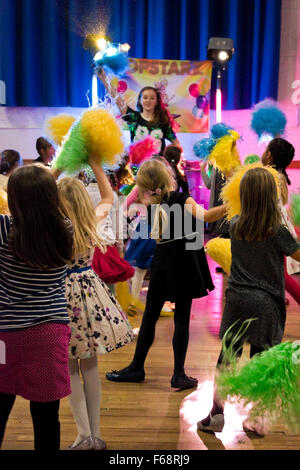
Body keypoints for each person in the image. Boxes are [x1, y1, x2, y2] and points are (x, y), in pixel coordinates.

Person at [106, 159, 227, 390]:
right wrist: (233, 203)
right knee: (181, 318)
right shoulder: (180, 199)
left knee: (150, 315)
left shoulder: (148, 201)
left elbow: (127, 204)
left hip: (163, 260)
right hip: (185, 260)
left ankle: (137, 367)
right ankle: (178, 373)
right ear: (168, 177)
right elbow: (208, 216)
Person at [197, 167, 300, 435]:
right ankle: (258, 418)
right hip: (267, 304)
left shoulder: (235, 224)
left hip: (237, 301)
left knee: (228, 357)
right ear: (271, 196)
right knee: (261, 361)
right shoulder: (277, 230)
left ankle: (217, 414)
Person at [56, 154, 134, 450]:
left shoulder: (55, 226)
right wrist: (96, 164)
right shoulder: (92, 220)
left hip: (62, 294)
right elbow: (108, 195)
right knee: (90, 365)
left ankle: (83, 433)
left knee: (70, 366)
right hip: (90, 292)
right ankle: (95, 434)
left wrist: (59, 168)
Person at [0, 164, 73, 451]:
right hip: (48, 333)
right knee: (46, 417)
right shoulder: (64, 229)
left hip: (4, 333)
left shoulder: (4, 228)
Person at [97, 69, 180, 155]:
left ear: (157, 102)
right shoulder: (133, 117)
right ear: (140, 100)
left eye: (152, 98)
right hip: (137, 167)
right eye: (145, 97)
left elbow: (176, 144)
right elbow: (116, 98)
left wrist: (172, 159)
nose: (148, 100)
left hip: (157, 166)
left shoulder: (163, 121)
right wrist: (104, 78)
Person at [261, 137, 300, 305]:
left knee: (281, 275)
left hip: (274, 230)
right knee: (276, 274)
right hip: (278, 228)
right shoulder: (278, 175)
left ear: (269, 155)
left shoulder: (269, 176)